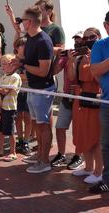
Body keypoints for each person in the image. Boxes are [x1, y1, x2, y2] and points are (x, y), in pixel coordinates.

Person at [14, 6, 55, 174]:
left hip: (43, 90)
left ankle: (45, 161)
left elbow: (43, 71)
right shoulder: (30, 38)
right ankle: (39, 155)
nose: (20, 23)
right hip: (33, 88)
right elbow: (26, 60)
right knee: (38, 125)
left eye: (22, 20)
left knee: (43, 126)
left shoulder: (43, 41)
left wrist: (22, 64)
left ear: (29, 22)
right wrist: (16, 62)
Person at [69, 27, 103, 184]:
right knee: (82, 133)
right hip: (80, 99)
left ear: (99, 37)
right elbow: (72, 78)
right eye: (86, 37)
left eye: (92, 36)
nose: (88, 40)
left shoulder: (101, 54)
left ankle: (99, 171)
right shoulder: (81, 57)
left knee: (95, 137)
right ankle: (88, 167)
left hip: (94, 99)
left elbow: (99, 80)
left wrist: (92, 63)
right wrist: (71, 61)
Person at [50, 32, 85, 170]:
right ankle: (61, 154)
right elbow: (54, 71)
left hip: (80, 98)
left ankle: (78, 156)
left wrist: (72, 60)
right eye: (75, 40)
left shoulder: (86, 57)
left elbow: (73, 75)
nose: (77, 43)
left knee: (78, 130)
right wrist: (59, 56)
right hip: (67, 97)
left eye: (80, 40)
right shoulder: (70, 55)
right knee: (60, 127)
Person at [89, 11, 109, 193]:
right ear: (106, 26)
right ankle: (108, 180)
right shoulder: (100, 46)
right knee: (107, 144)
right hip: (107, 103)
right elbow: (95, 71)